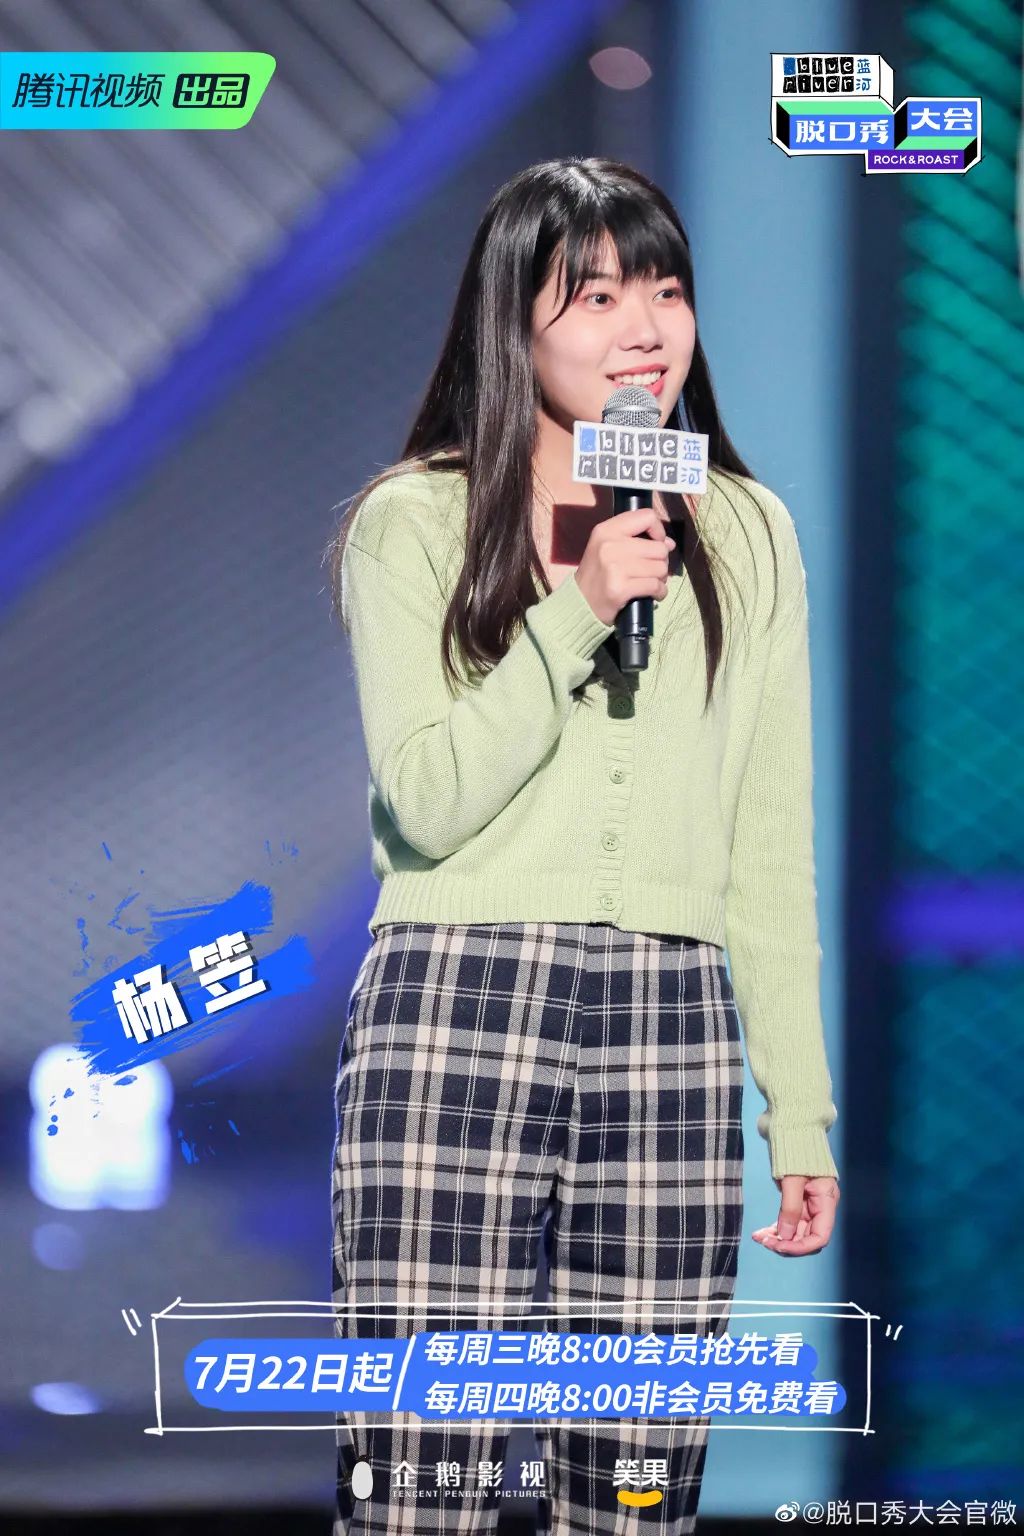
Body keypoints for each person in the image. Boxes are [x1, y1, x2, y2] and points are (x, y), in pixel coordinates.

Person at [324, 156, 840, 1535]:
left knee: (638, 1481)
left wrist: (799, 1110)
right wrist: (578, 607)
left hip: (672, 1014)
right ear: (516, 321)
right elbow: (425, 801)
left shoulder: (746, 531)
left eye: (665, 290)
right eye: (598, 296)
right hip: (457, 995)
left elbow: (768, 845)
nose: (645, 330)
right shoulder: (414, 521)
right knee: (422, 1472)